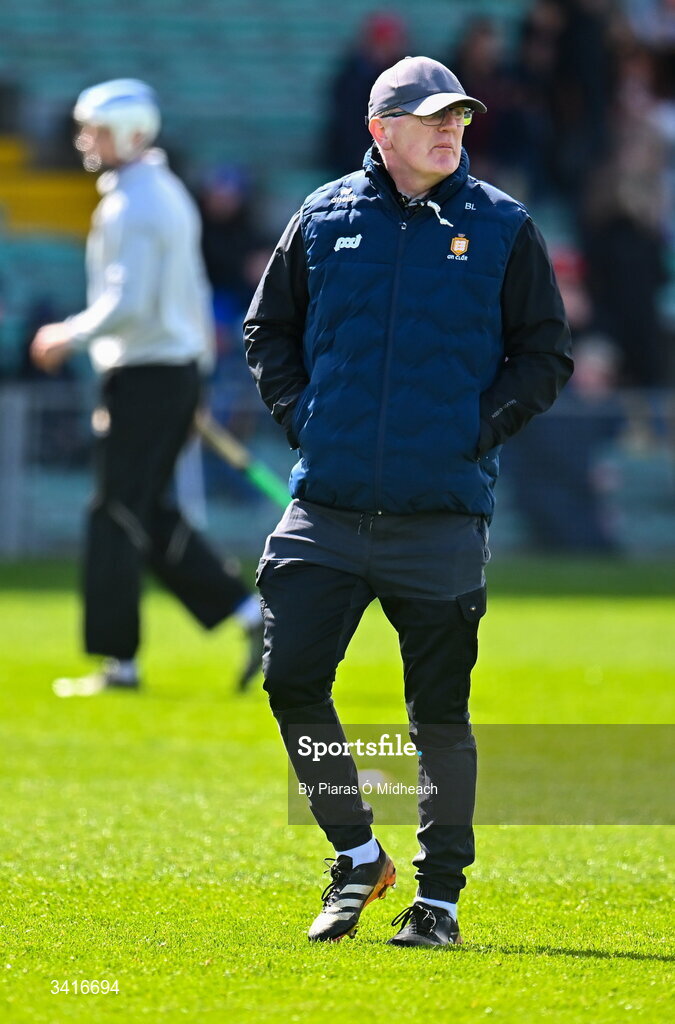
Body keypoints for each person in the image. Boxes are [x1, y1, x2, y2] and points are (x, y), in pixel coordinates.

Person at [244, 56, 572, 948]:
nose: (448, 131)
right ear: (379, 130)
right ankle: (356, 855)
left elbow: (544, 354)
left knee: (437, 718)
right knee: (290, 681)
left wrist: (472, 433)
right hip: (328, 504)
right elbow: (266, 330)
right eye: (429, 118)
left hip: (440, 513)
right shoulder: (321, 217)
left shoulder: (503, 226)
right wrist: (305, 418)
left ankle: (440, 900)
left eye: (458, 119)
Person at [30, 79, 263, 694]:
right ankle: (250, 616)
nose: (87, 139)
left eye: (99, 130)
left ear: (131, 134)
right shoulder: (158, 192)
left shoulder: (135, 203)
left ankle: (120, 663)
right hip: (169, 373)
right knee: (147, 511)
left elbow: (125, 305)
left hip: (147, 375)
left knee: (113, 512)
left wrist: (63, 334)